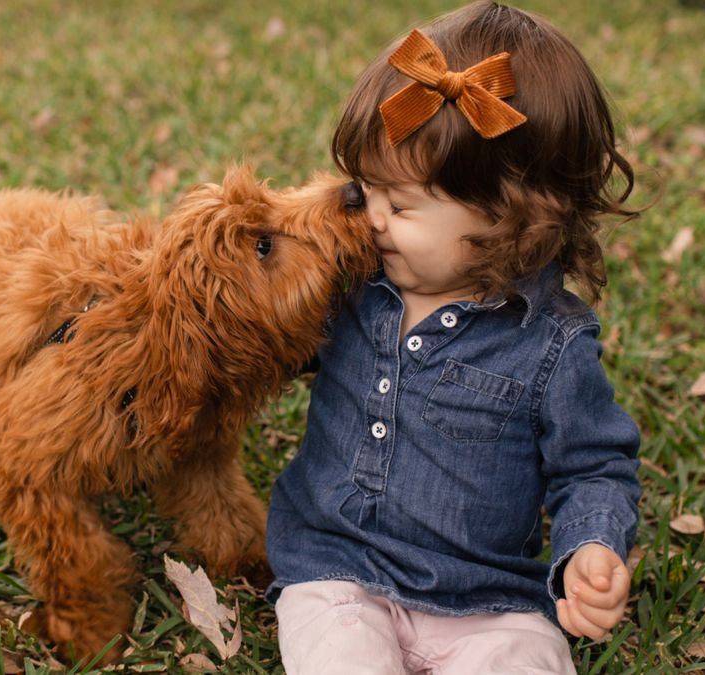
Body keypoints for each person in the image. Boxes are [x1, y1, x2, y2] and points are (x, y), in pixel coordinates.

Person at [265, 3, 643, 673]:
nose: (371, 217)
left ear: (511, 216)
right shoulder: (351, 288)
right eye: (366, 188)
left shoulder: (550, 342)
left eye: (401, 204)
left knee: (524, 659)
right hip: (337, 570)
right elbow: (268, 342)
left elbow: (594, 466)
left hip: (489, 598)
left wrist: (591, 546)